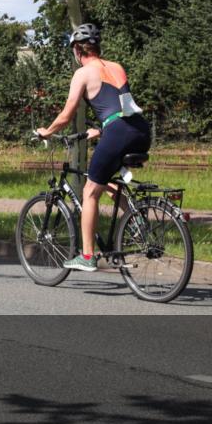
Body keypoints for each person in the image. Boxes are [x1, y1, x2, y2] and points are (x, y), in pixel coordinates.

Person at [34, 24, 151, 272]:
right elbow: (121, 107)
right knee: (108, 184)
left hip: (119, 131)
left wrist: (47, 131)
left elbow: (66, 115)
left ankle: (87, 256)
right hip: (140, 130)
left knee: (89, 191)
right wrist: (102, 129)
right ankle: (138, 222)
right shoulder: (116, 66)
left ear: (77, 50)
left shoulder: (83, 73)